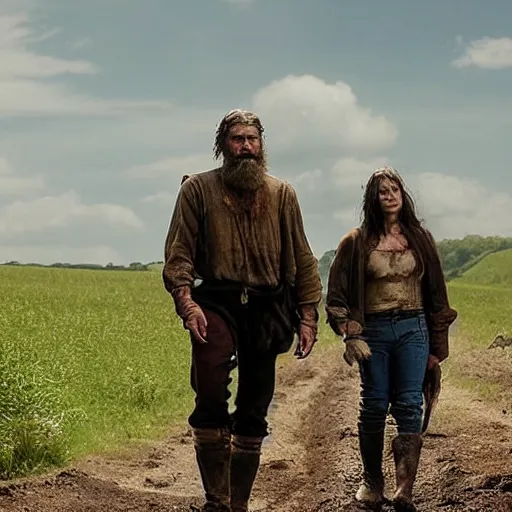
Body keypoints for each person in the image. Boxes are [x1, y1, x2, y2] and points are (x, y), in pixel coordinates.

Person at [162, 109, 322, 512]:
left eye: (252, 139)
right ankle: (215, 499)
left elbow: (303, 258)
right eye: (238, 139)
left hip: (268, 304)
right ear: (223, 145)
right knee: (210, 388)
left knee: (255, 404)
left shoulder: (282, 193)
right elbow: (178, 253)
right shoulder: (197, 190)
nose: (246, 146)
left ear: (262, 145)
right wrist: (187, 303)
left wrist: (307, 315)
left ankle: (237, 504)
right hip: (216, 298)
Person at [325, 166, 457, 511]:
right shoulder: (355, 242)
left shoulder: (420, 239)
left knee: (410, 403)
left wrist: (437, 348)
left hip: (414, 327)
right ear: (373, 198)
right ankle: (372, 483)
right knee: (373, 404)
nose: (389, 195)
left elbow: (438, 295)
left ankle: (404, 490)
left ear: (403, 194)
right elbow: (336, 295)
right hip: (375, 332)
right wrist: (347, 330)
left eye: (394, 189)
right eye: (382, 191)